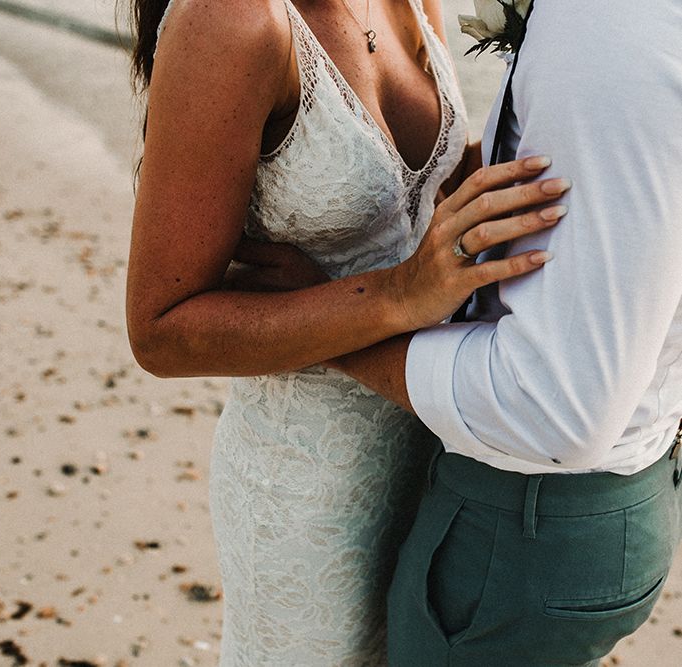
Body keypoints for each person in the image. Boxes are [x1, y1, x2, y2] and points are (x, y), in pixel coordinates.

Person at [123, 0, 569, 663]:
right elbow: (161, 330)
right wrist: (395, 294)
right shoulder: (229, 21)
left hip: (439, 444)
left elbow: (414, 203)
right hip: (309, 488)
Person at [277, 1, 680, 665]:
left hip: (522, 530)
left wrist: (329, 320)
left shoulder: (610, 24)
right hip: (616, 497)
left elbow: (554, 409)